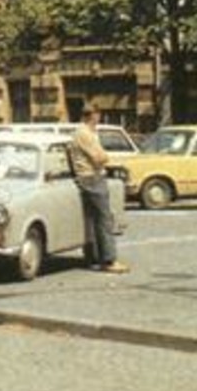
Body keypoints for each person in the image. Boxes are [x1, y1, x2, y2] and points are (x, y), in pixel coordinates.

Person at [72, 107, 128, 274]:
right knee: (104, 219)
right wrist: (104, 157)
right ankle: (109, 260)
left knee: (92, 220)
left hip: (86, 177)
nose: (99, 119)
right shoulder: (85, 134)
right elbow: (99, 158)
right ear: (92, 116)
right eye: (98, 115)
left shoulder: (83, 133)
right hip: (92, 177)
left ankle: (94, 257)